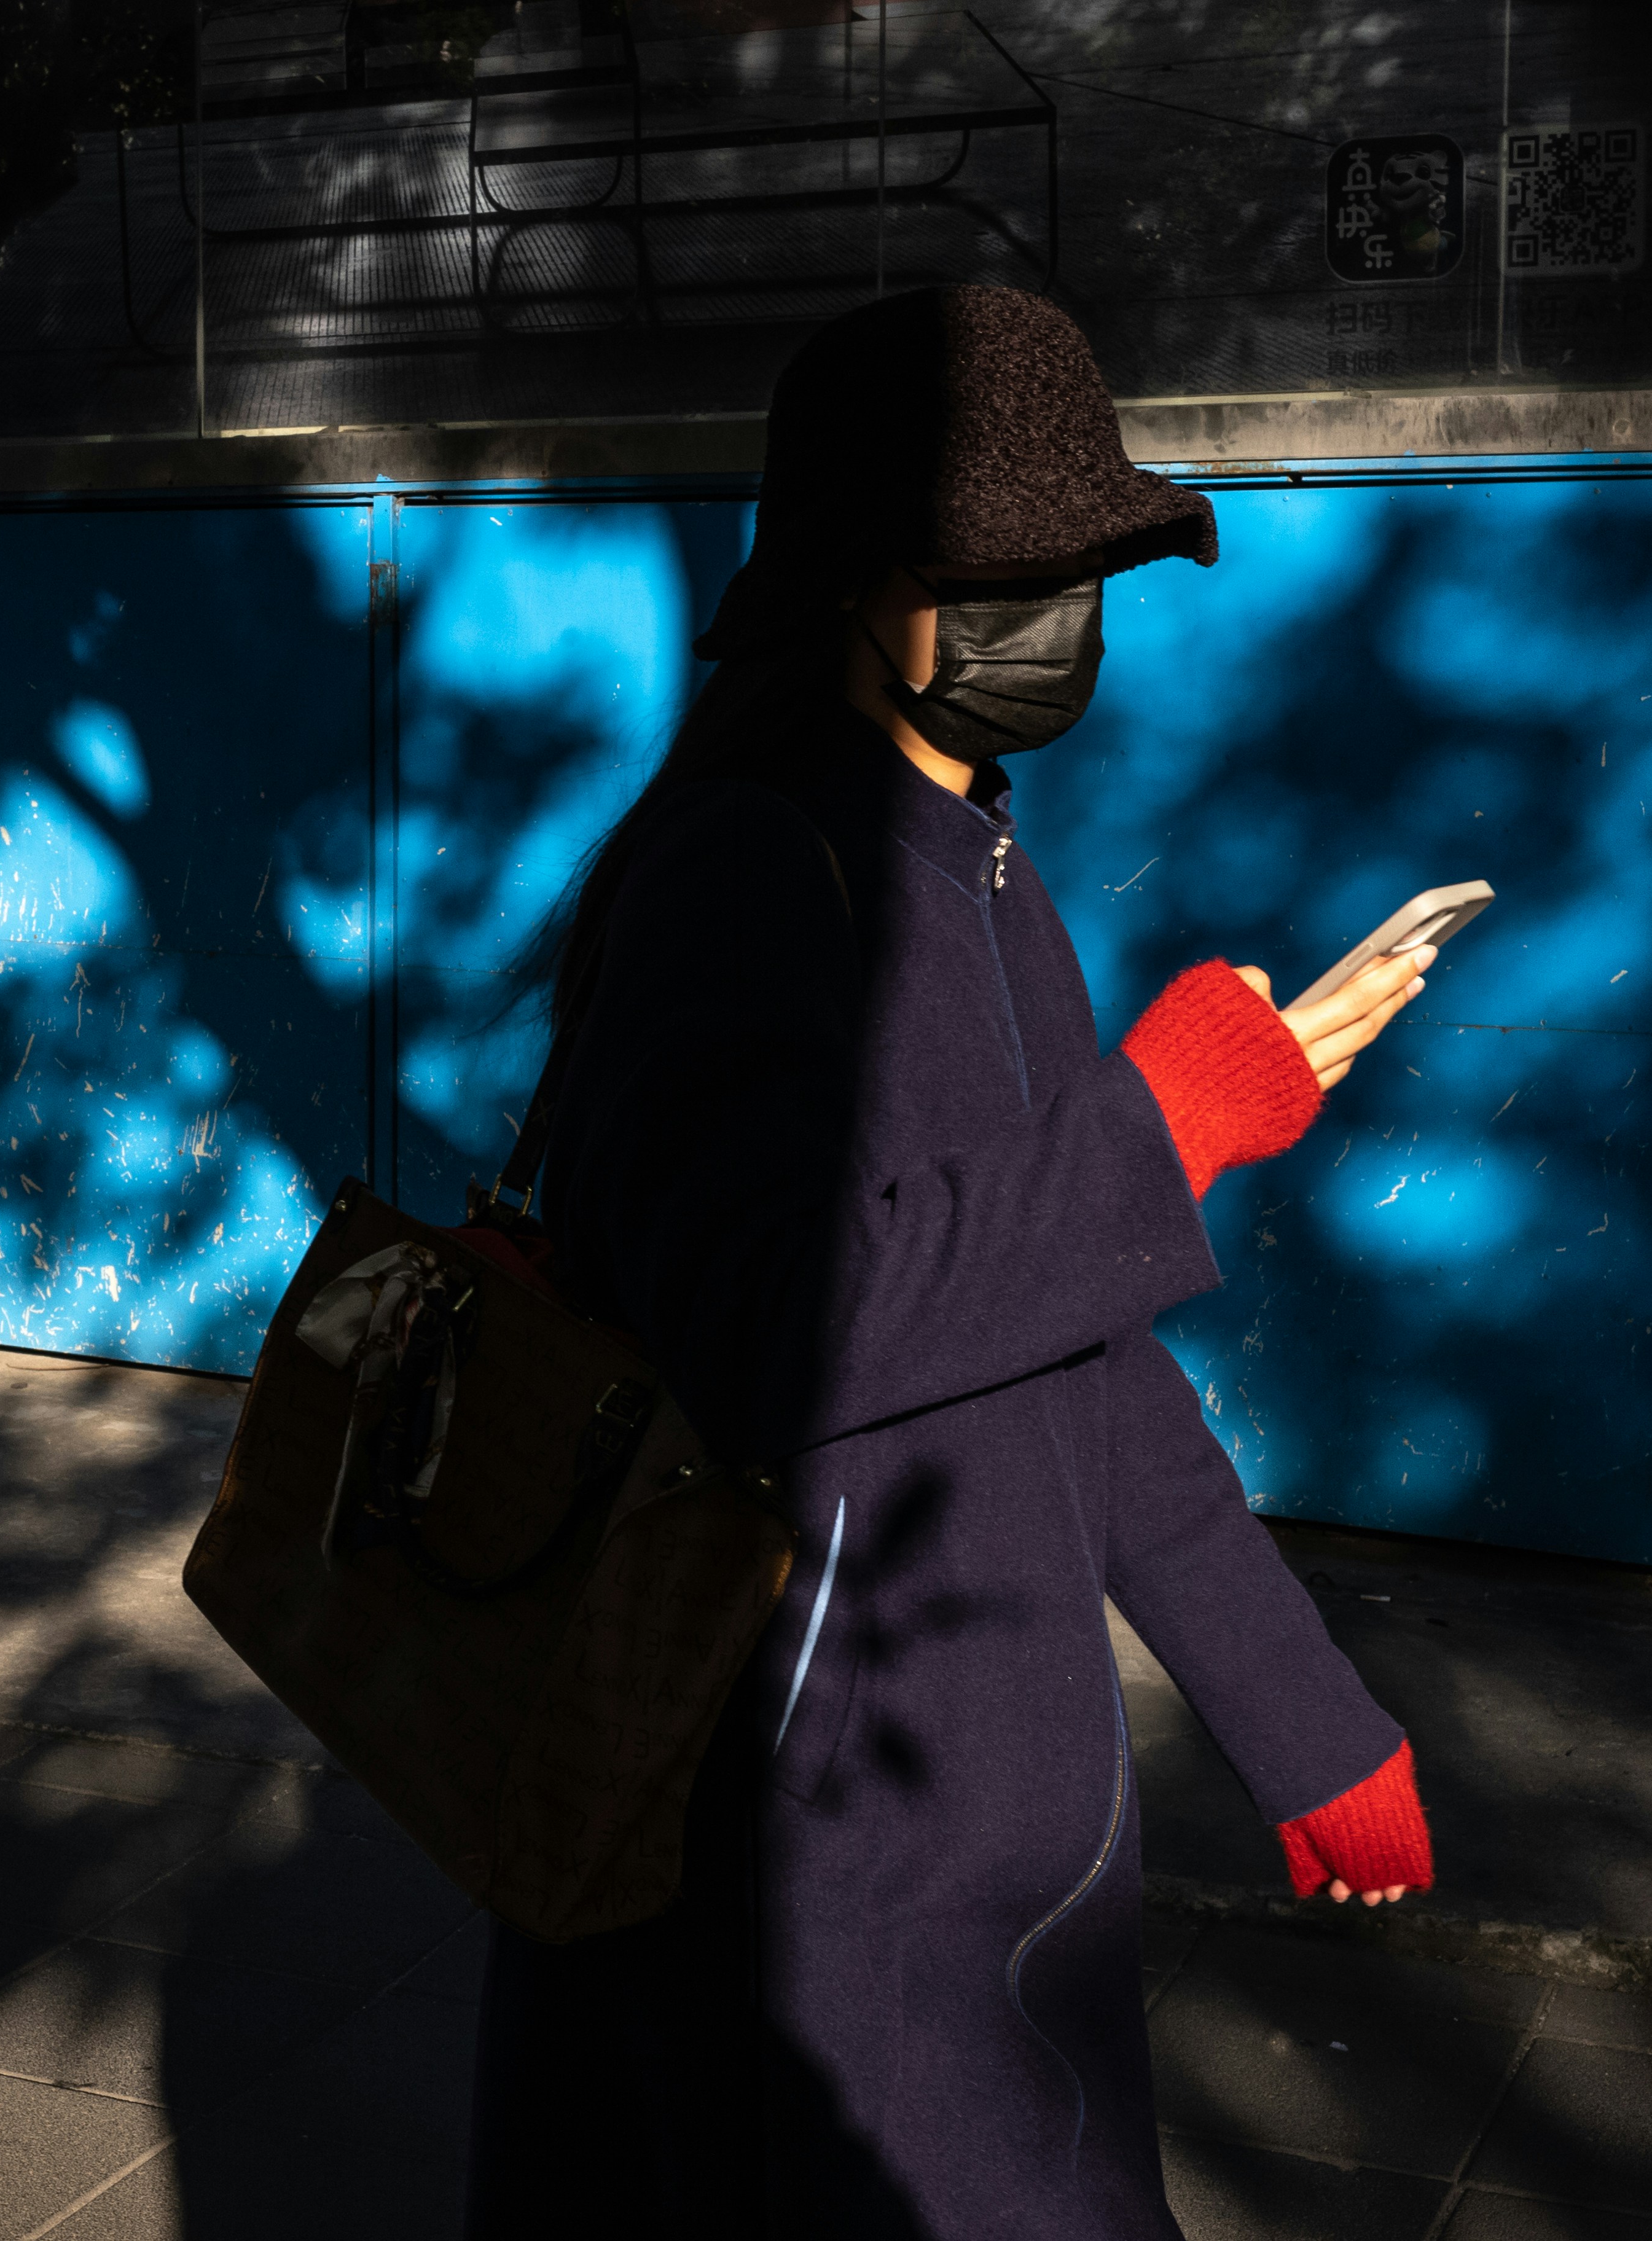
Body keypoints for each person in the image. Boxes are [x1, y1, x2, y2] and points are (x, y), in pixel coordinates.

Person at [466, 286, 1435, 2240]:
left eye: (1083, 568)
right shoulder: (750, 869)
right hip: (807, 1834)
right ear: (845, 578)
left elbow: (1077, 1343)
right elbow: (767, 1322)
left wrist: (1303, 1716)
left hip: (995, 1816)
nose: (1051, 617)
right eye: (991, 574)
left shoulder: (983, 857)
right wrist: (1160, 1131)